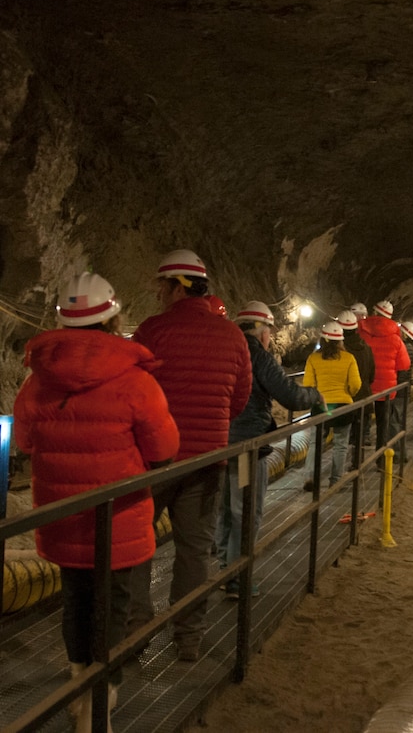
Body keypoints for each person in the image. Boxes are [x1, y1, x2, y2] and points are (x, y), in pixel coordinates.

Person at [13, 272, 180, 733]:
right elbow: (164, 448)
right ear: (113, 318)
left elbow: (23, 443)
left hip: (62, 516)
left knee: (76, 602)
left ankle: (76, 685)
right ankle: (96, 706)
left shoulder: (37, 382)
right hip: (118, 517)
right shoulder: (136, 382)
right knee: (114, 607)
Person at [129, 248, 252, 662]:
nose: (158, 293)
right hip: (206, 461)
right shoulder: (233, 335)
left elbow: (134, 394)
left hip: (155, 460)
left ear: (178, 285)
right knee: (195, 551)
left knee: (138, 544)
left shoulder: (152, 331)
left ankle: (137, 630)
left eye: (162, 285)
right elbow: (239, 400)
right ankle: (189, 637)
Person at [214, 301, 323, 599]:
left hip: (219, 442)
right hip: (248, 444)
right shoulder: (259, 356)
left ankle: (225, 566)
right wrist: (315, 395)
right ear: (261, 330)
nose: (270, 337)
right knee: (246, 510)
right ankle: (237, 576)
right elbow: (288, 395)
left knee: (227, 507)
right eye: (269, 331)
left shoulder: (224, 349)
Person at [301, 320, 361, 488]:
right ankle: (336, 480)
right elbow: (356, 384)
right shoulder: (349, 358)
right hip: (344, 405)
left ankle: (310, 478)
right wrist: (348, 393)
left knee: (315, 443)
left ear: (323, 339)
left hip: (322, 406)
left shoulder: (313, 359)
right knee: (340, 445)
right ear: (341, 340)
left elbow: (308, 385)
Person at [357, 300, 411, 468]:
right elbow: (404, 365)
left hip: (364, 385)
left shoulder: (362, 332)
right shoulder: (396, 338)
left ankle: (356, 461)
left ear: (375, 312)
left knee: (360, 422)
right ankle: (381, 460)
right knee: (383, 424)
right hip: (386, 388)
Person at [337, 310, 375, 464]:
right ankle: (356, 467)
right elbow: (372, 373)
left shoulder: (340, 351)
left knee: (341, 439)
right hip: (364, 396)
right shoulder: (366, 348)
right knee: (359, 436)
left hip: (344, 399)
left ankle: (338, 473)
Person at [389, 321, 413, 463]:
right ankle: (399, 452)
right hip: (404, 389)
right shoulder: (410, 348)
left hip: (399, 390)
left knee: (394, 421)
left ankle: (399, 454)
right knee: (399, 421)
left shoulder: (404, 348)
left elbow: (400, 370)